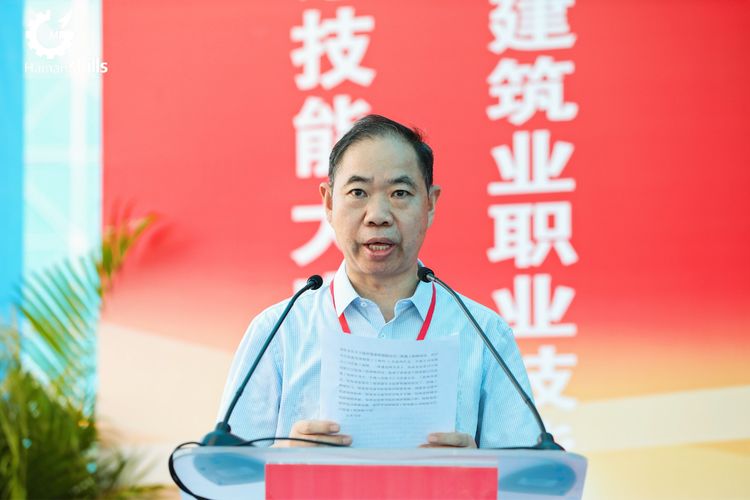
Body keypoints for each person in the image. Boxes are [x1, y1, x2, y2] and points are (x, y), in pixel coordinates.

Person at [218, 114, 537, 448]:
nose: (378, 215)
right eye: (358, 192)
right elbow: (224, 472)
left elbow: (529, 472)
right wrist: (280, 458)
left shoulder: (484, 334)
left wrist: (479, 469)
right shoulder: (279, 332)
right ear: (329, 202)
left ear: (430, 203)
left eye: (400, 193)